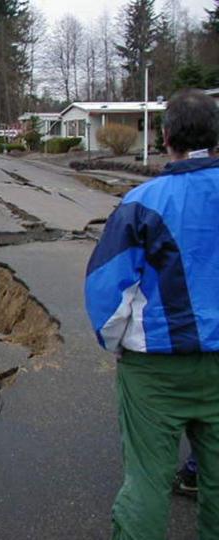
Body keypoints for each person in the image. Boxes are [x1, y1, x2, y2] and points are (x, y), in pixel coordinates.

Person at [84, 89, 219, 539]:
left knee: (146, 482)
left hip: (156, 366)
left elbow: (107, 288)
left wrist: (117, 341)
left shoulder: (143, 202)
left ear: (165, 138)